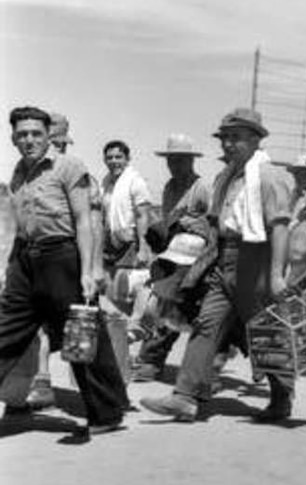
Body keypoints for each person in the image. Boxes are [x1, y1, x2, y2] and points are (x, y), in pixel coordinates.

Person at [140, 107, 295, 422]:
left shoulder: (268, 176)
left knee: (266, 330)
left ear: (255, 139)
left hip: (256, 258)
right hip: (223, 255)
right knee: (206, 323)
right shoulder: (227, 177)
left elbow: (280, 226)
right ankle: (183, 396)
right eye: (225, 138)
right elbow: (215, 222)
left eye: (235, 138)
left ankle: (281, 397)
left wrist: (277, 274)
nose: (228, 144)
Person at [0, 106, 127, 434]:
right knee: (5, 330)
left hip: (62, 258)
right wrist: (8, 268)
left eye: (36, 134)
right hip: (25, 260)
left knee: (81, 337)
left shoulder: (69, 166)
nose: (29, 140)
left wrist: (88, 270)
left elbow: (85, 220)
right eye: (22, 134)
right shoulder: (18, 173)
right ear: (14, 137)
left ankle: (107, 414)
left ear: (48, 136)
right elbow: (14, 226)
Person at [25, 112, 108, 410]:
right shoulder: (32, 174)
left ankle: (103, 400)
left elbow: (93, 222)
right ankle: (41, 381)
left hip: (72, 261)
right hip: (42, 262)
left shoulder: (78, 175)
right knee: (43, 325)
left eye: (59, 143)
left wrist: (95, 267)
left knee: (81, 333)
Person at [131, 134, 212, 382]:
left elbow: (212, 223)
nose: (174, 164)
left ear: (190, 160)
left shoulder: (201, 188)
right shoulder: (169, 187)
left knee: (190, 309)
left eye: (179, 160)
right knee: (163, 304)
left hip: (196, 257)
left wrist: (192, 225)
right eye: (171, 160)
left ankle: (206, 370)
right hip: (172, 255)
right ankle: (151, 361)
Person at [101, 140, 153, 276]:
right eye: (109, 158)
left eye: (118, 157)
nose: (114, 161)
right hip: (110, 245)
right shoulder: (105, 183)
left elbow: (142, 216)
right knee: (111, 290)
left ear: (127, 159)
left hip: (130, 244)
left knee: (127, 285)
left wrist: (143, 247)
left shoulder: (135, 181)